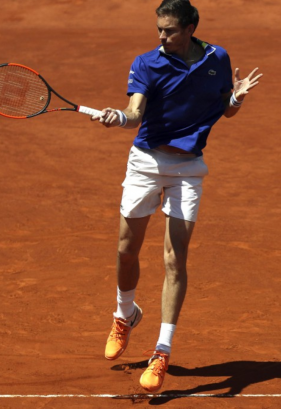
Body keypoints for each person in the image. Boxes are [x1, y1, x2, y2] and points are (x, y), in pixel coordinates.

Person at [91, 0, 263, 393]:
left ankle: (162, 351)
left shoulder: (218, 58)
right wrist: (120, 117)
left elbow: (224, 109)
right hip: (146, 162)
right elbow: (135, 113)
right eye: (159, 29)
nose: (161, 37)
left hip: (188, 170)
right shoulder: (146, 63)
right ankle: (125, 314)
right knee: (126, 249)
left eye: (168, 30)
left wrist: (235, 98)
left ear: (190, 28)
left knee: (175, 257)